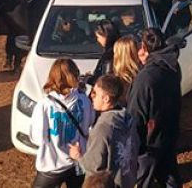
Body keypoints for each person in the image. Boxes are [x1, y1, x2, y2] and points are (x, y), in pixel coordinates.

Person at [127, 28, 182, 188]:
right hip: (169, 132)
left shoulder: (146, 77)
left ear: (144, 48)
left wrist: (133, 146)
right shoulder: (172, 66)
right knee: (170, 177)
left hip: (149, 143)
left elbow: (136, 115)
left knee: (142, 181)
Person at [30, 58, 94, 188]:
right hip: (77, 162)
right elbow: (89, 126)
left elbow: (37, 138)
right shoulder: (84, 101)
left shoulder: (44, 105)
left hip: (52, 166)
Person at [68, 75, 138, 188]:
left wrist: (78, 156)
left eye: (95, 93)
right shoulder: (128, 118)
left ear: (106, 98)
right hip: (126, 180)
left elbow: (94, 166)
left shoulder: (103, 128)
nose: (91, 96)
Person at [88, 20, 119, 87]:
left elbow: (105, 81)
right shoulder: (119, 50)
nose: (97, 40)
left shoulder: (109, 56)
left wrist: (88, 80)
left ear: (105, 35)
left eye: (98, 37)